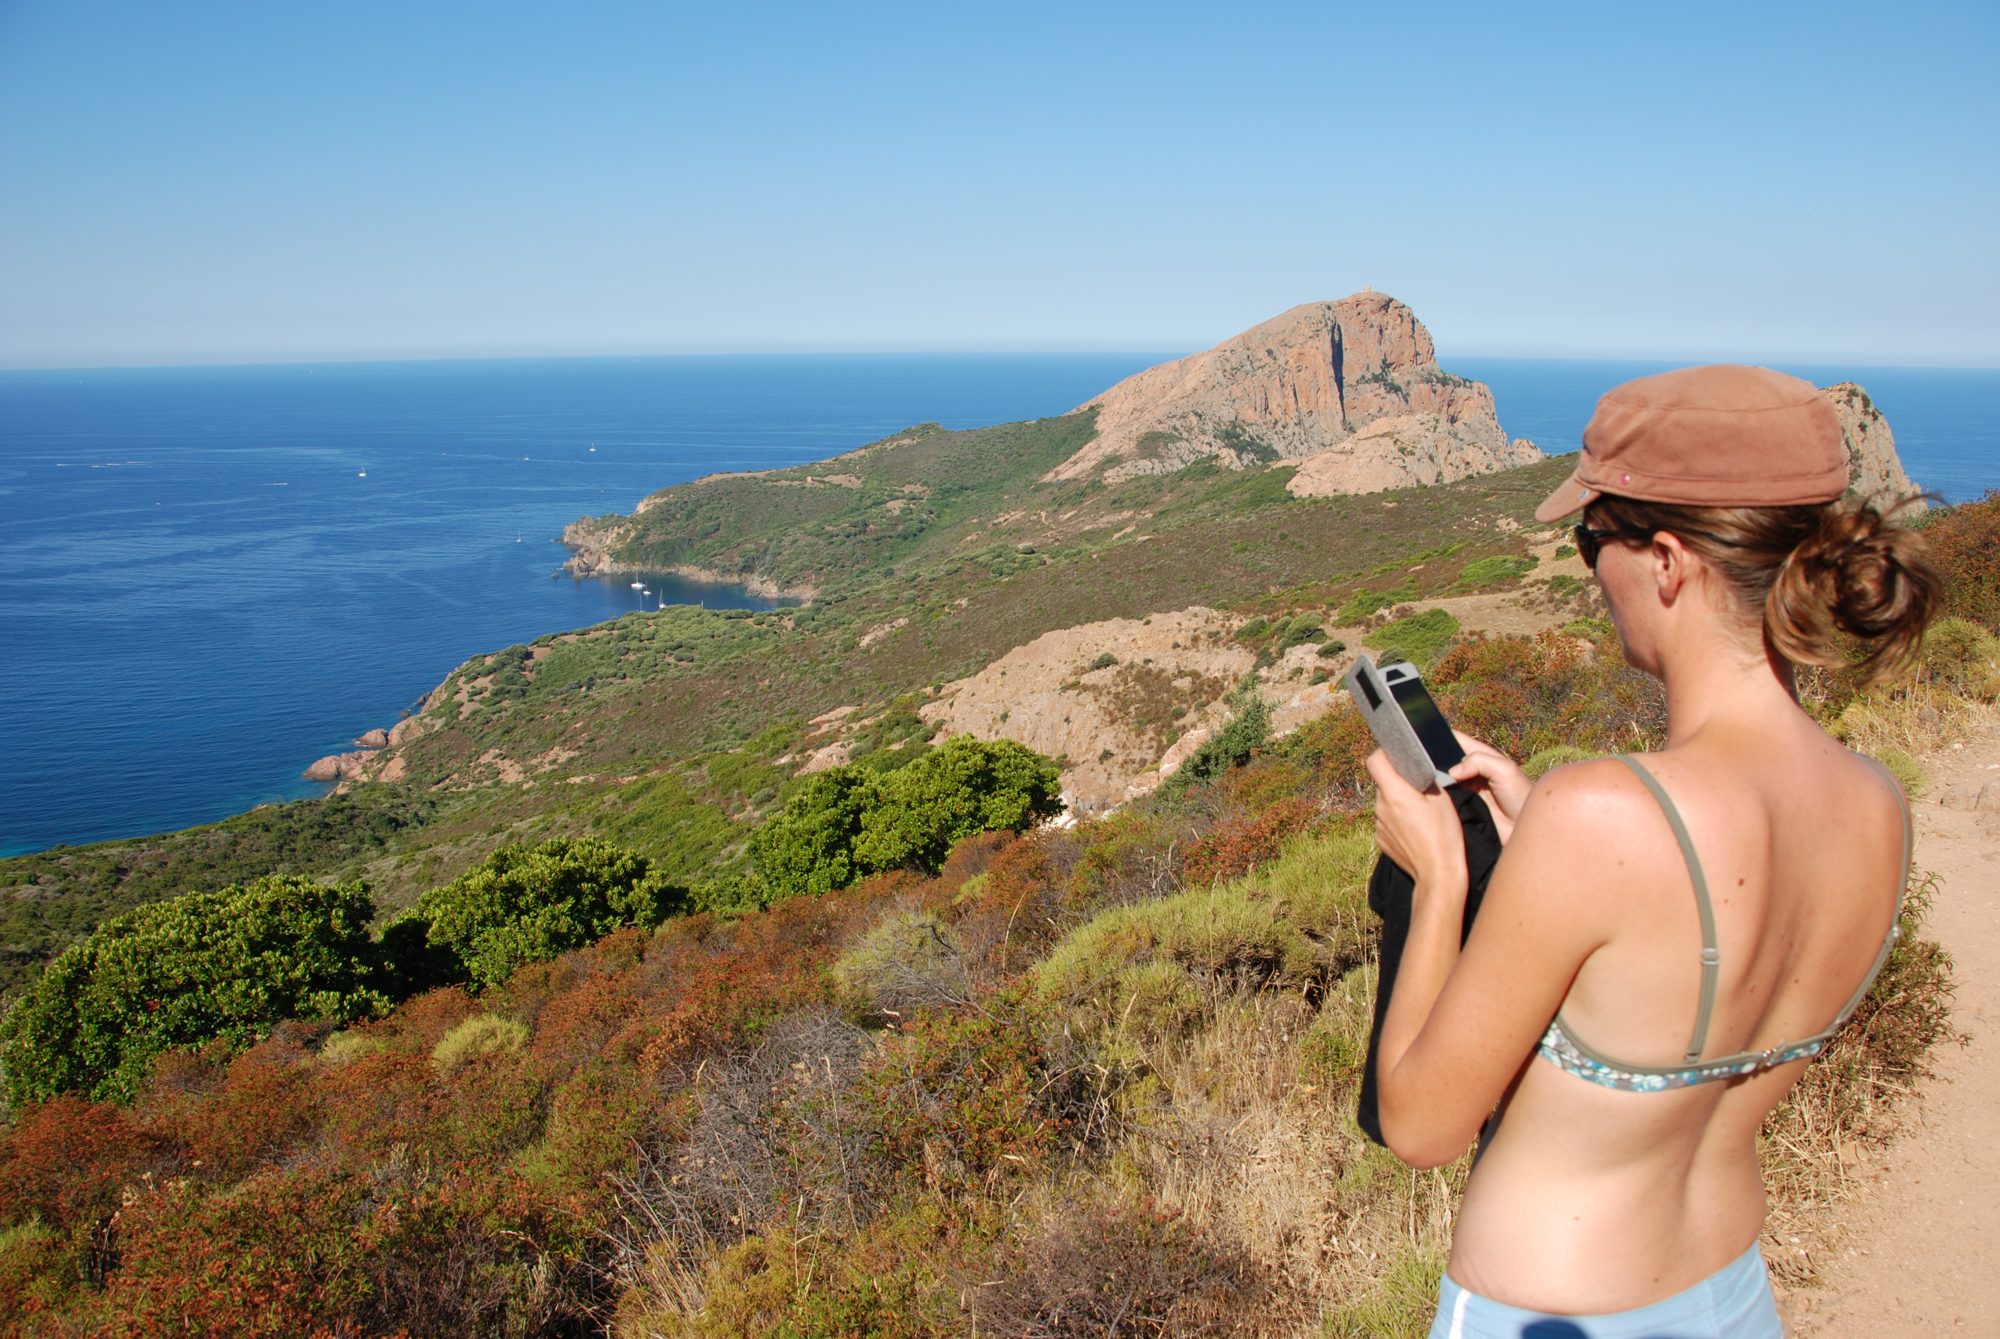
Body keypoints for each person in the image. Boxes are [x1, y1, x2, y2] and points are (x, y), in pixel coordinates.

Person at [1364, 365, 1940, 1338]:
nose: (1590, 572)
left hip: (1546, 1303)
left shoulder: (1604, 816)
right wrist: (1544, 820)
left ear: (1664, 561)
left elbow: (1420, 1126)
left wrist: (1439, 879)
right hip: (1728, 1293)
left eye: (1592, 540)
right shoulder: (1877, 802)